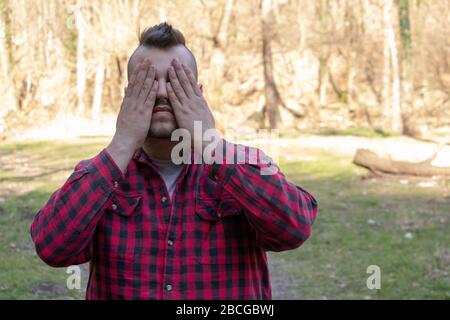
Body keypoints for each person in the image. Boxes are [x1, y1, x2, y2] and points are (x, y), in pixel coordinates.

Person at [30, 22, 318, 300]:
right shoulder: (101, 177)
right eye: (148, 81)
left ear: (199, 94)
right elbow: (53, 249)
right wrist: (122, 144)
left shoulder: (245, 164)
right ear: (128, 95)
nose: (162, 92)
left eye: (177, 81)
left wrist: (211, 144)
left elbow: (294, 230)